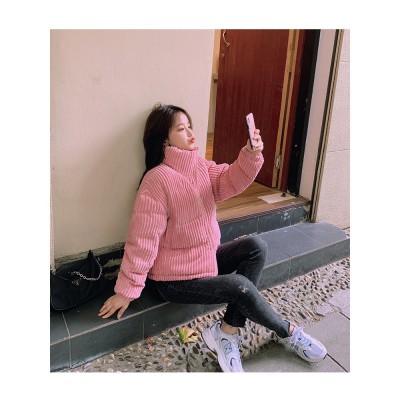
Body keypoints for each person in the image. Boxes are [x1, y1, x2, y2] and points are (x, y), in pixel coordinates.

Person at [98, 103, 327, 372]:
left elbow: (229, 180)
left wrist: (251, 153)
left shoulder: (199, 166)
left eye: (190, 126)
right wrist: (126, 291)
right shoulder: (156, 180)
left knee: (255, 246)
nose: (191, 134)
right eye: (181, 129)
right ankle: (288, 331)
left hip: (203, 261)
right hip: (173, 279)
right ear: (164, 139)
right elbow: (143, 240)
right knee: (239, 286)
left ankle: (226, 331)